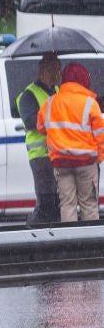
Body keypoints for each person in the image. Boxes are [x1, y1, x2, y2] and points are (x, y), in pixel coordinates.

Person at [39, 61, 104, 223]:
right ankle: (90, 243)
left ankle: (70, 243)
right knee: (88, 204)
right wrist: (99, 157)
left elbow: (40, 127)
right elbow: (100, 135)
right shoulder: (90, 103)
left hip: (61, 162)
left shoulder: (50, 102)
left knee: (67, 204)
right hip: (86, 163)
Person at [17, 54, 63, 226]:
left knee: (58, 201)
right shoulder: (28, 95)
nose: (59, 73)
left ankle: (54, 237)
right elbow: (31, 122)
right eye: (55, 68)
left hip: (58, 154)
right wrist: (58, 118)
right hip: (41, 156)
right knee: (46, 200)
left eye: (59, 68)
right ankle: (31, 232)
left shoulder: (58, 90)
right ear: (43, 69)